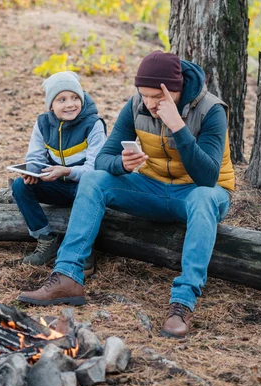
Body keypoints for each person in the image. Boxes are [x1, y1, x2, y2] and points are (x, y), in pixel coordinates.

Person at [17, 51, 235, 339]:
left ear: (175, 90)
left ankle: (182, 303)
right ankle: (68, 276)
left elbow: (207, 178)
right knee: (95, 180)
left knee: (204, 198)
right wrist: (122, 164)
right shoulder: (135, 106)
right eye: (144, 95)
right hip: (152, 188)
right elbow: (102, 159)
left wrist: (178, 127)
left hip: (197, 194)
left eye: (156, 97)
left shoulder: (211, 110)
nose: (149, 103)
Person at [12, 71, 106, 276]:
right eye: (61, 99)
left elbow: (95, 168)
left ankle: (84, 248)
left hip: (84, 187)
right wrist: (32, 172)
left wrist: (68, 171)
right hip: (57, 184)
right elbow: (35, 157)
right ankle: (46, 240)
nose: (70, 104)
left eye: (75, 98)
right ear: (51, 105)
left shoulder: (93, 125)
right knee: (20, 186)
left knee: (88, 186)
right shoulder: (43, 123)